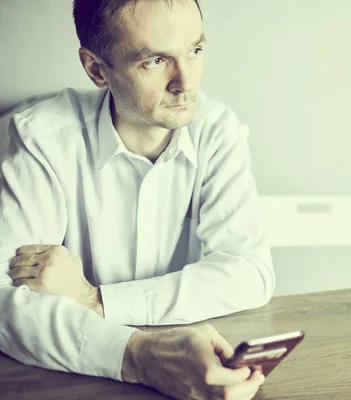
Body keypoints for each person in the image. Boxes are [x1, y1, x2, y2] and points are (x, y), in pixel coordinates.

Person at [0, 0, 275, 398]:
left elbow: (251, 272)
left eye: (195, 51)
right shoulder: (41, 138)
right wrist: (137, 356)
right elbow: (4, 303)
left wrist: (95, 300)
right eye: (155, 60)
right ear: (96, 69)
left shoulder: (217, 130)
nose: (186, 83)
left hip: (196, 366)